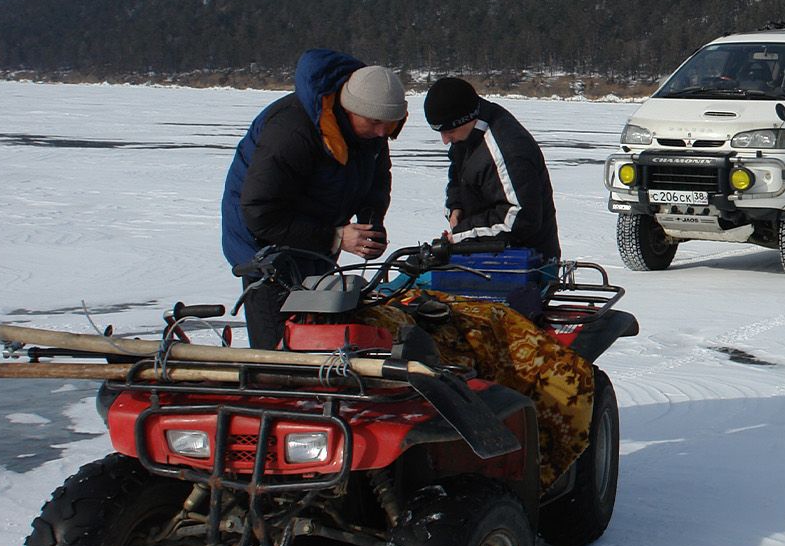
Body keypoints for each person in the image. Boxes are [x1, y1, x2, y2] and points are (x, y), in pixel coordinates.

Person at [221, 49, 406, 348]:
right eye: (374, 122)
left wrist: (371, 222)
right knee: (281, 346)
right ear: (350, 109)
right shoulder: (292, 131)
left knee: (318, 331)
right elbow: (259, 212)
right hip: (264, 249)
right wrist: (335, 237)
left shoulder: (372, 133)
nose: (383, 132)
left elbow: (376, 180)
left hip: (314, 239)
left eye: (391, 123)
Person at [423, 76, 560, 261]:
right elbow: (458, 174)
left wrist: (462, 234)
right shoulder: (468, 132)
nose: (445, 140)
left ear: (467, 118)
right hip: (485, 253)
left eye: (449, 132)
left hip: (524, 262)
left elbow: (521, 218)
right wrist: (456, 206)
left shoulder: (508, 149)